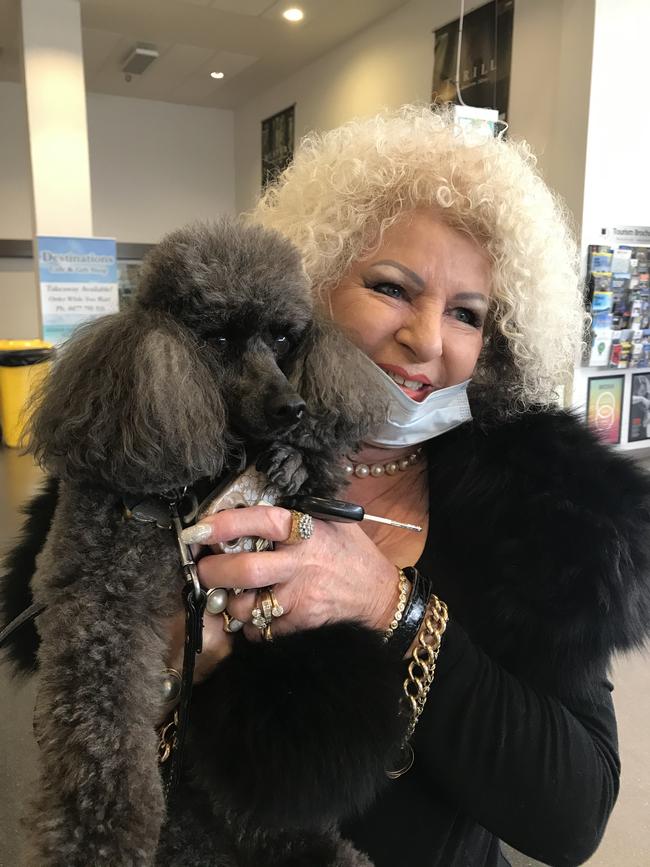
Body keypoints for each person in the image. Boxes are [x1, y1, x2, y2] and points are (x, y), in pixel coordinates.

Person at [166, 106, 650, 867]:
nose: (426, 338)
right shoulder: (193, 447)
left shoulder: (550, 508)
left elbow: (575, 811)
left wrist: (391, 606)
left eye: (466, 313)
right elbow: (61, 650)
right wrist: (166, 660)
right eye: (392, 287)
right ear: (313, 283)